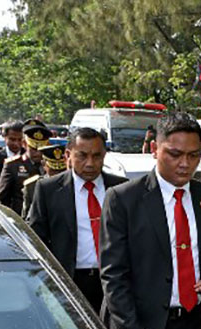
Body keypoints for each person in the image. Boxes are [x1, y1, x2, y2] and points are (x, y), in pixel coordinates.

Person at [100, 112, 201, 329]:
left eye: (194, 155)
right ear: (155, 149)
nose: (185, 164)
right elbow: (114, 278)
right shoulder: (123, 200)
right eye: (175, 154)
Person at [27, 127, 127, 312]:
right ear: (68, 155)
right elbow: (36, 239)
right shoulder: (48, 190)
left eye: (97, 156)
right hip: (70, 281)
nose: (90, 163)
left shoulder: (122, 188)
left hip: (115, 282)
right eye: (82, 156)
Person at [0, 124, 49, 215]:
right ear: (24, 144)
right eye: (33, 148)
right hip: (19, 217)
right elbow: (2, 198)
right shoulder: (12, 165)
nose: (37, 153)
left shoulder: (49, 165)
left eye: (41, 149)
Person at [22, 144, 68, 219]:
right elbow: (26, 219)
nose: (57, 175)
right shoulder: (32, 186)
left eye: (61, 170)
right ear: (44, 165)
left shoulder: (72, 184)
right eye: (53, 170)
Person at [0, 121, 25, 192]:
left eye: (20, 140)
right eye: (12, 139)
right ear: (4, 137)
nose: (16, 143)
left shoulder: (28, 156)